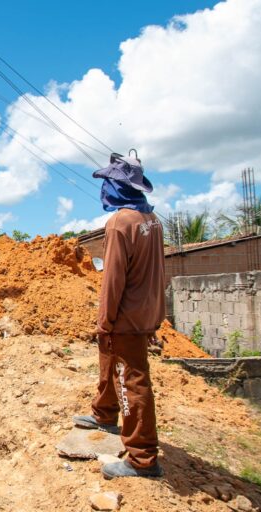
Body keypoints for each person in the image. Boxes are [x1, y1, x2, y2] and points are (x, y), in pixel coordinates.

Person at [73, 152, 165, 479]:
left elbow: (114, 278)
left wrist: (106, 321)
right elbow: (157, 273)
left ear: (117, 187)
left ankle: (142, 458)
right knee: (108, 357)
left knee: (133, 380)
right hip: (145, 311)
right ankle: (104, 413)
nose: (104, 191)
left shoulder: (119, 222)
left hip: (125, 316)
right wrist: (156, 317)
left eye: (107, 184)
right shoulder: (152, 221)